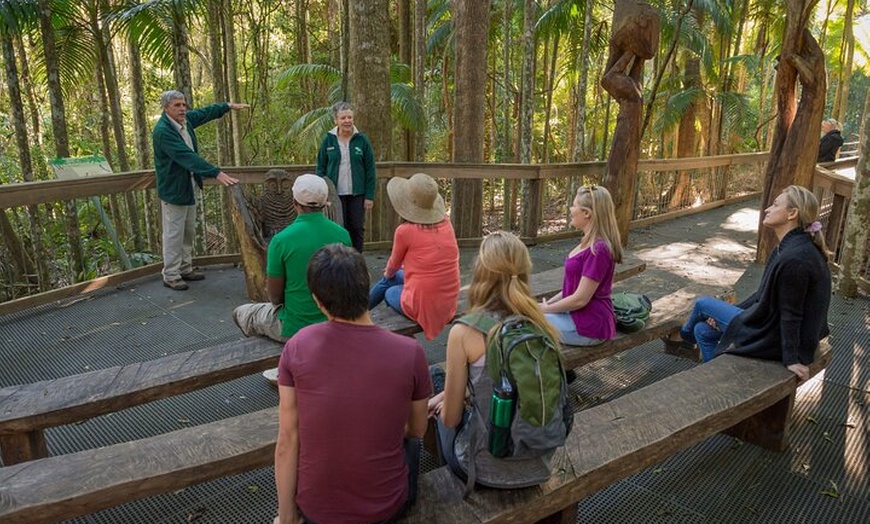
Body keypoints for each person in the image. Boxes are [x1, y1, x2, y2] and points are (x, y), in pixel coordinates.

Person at [273, 243, 432, 524]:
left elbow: (288, 438)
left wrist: (286, 517)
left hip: (316, 512)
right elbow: (417, 429)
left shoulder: (297, 346)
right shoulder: (410, 352)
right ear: (366, 287)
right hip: (387, 508)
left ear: (318, 301)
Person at [427, 231, 561, 479]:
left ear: (480, 272)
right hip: (539, 463)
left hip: (481, 469)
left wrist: (447, 402)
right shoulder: (542, 325)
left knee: (433, 376)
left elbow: (450, 419)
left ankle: (443, 475)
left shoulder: (464, 331)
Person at [666, 185, 831, 380]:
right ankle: (715, 379)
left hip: (775, 338)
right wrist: (727, 314)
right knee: (702, 329)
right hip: (771, 326)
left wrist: (791, 359)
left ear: (792, 214)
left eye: (776, 205)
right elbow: (761, 296)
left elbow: (791, 314)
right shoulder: (788, 249)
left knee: (702, 304)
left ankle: (683, 338)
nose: (768, 209)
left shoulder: (796, 259)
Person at [233, 175, 351, 342]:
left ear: (294, 202)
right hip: (335, 323)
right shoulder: (343, 235)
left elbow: (275, 297)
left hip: (295, 327)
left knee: (242, 313)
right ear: (325, 203)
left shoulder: (281, 240)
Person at [152, 90, 248, 290]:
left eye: (183, 104)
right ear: (166, 108)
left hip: (189, 185)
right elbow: (185, 156)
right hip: (173, 190)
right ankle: (170, 274)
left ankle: (185, 268)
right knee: (173, 233)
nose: (182, 109)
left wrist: (227, 106)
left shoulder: (184, 122)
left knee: (188, 231)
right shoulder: (163, 131)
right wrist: (216, 172)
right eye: (177, 105)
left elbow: (205, 113)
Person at [368, 173, 460, 340]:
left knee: (389, 288)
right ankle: (359, 312)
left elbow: (392, 267)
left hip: (423, 304)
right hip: (448, 301)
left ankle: (357, 314)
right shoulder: (446, 223)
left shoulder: (405, 231)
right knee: (392, 278)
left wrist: (390, 274)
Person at [539, 185, 623, 345]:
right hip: (575, 316)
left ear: (586, 213)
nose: (571, 209)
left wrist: (544, 310)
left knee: (522, 323)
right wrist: (547, 304)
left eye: (574, 205)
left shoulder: (599, 250)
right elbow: (571, 291)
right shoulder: (588, 244)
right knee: (525, 314)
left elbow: (580, 299)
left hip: (589, 325)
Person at [315, 101, 377, 252]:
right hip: (335, 195)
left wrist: (369, 196)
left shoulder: (362, 140)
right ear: (336, 120)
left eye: (350, 117)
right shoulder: (328, 140)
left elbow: (370, 169)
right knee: (337, 228)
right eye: (343, 118)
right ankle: (339, 264)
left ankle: (357, 262)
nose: (347, 121)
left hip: (357, 194)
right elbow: (320, 169)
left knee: (356, 228)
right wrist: (325, 195)